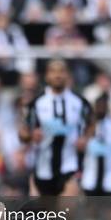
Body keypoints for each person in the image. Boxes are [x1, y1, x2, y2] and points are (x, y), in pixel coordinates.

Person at [19, 59, 93, 197]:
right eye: (53, 71)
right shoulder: (37, 103)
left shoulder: (79, 102)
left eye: (61, 71)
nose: (57, 75)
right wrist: (30, 136)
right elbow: (23, 132)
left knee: (66, 212)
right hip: (43, 167)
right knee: (47, 215)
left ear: (68, 75)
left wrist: (85, 138)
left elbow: (92, 124)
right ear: (47, 76)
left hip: (70, 166)